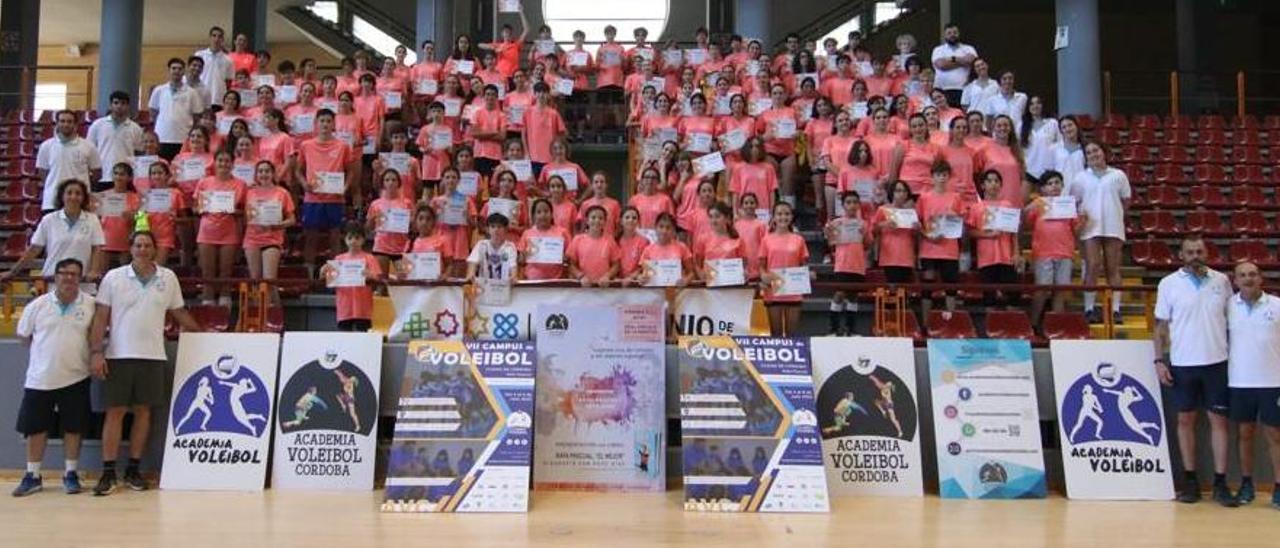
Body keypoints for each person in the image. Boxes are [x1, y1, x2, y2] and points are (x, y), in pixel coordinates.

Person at [89, 231, 201, 495]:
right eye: (138, 245)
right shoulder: (113, 278)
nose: (142, 249)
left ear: (154, 250)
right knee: (114, 413)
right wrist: (96, 352)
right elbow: (101, 316)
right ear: (130, 249)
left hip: (153, 356)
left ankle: (134, 470)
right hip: (118, 355)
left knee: (143, 413)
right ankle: (108, 472)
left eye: (147, 245)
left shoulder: (168, 277)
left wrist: (203, 334)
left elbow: (179, 312)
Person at [1152, 236, 1237, 506]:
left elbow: (1233, 321)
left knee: (1219, 423)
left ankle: (1221, 483)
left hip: (1217, 362)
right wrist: (1158, 361)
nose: (1195, 255)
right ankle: (1190, 481)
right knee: (1185, 422)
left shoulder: (1221, 281)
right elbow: (1160, 326)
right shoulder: (1168, 283)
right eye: (1190, 252)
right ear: (1181, 255)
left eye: (1199, 251)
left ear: (1207, 253)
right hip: (1182, 363)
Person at [10, 258, 96, 497]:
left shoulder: (90, 305)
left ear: (80, 278)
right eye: (64, 273)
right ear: (55, 276)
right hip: (40, 378)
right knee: (36, 428)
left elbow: (96, 337)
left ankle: (70, 473)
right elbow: (24, 337)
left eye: (74, 274)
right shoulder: (37, 306)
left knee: (74, 427)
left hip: (77, 376)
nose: (69, 278)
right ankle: (33, 475)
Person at [1225, 261, 1280, 509]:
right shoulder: (1227, 307)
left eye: (1253, 274)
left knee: (1275, 436)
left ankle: (1278, 487)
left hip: (1273, 382)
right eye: (1243, 275)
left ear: (1261, 278)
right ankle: (1247, 484)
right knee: (1244, 435)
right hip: (1239, 382)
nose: (1248, 279)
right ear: (1235, 280)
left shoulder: (1277, 306)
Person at [1072, 140, 1130, 324]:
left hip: (1113, 225)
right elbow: (1075, 202)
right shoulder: (1080, 178)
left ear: (1104, 152)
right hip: (1090, 227)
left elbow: (1125, 200)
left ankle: (1115, 310)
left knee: (1112, 268)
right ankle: (1089, 308)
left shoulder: (1118, 175)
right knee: (1093, 265)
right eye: (1088, 152)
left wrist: (1114, 213)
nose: (1093, 154)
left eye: (1096, 150)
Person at [2, 179, 104, 282]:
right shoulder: (48, 220)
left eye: (78, 193)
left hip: (81, 280)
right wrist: (13, 271)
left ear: (83, 198)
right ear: (62, 196)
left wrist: (94, 271)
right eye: (69, 193)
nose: (73, 197)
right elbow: (34, 249)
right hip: (52, 279)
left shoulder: (92, 219)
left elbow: (96, 248)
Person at [295, 109, 358, 274]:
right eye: (322, 120)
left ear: (333, 124)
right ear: (316, 124)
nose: (325, 124)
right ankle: (309, 274)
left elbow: (351, 171)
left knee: (335, 237)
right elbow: (298, 171)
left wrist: (344, 188)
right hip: (312, 199)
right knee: (311, 237)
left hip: (335, 199)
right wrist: (304, 185)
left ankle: (335, 272)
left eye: (328, 121)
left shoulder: (342, 146)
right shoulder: (306, 145)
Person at [1025, 170, 1083, 329]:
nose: (1054, 186)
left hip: (1065, 253)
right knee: (1042, 290)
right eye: (1050, 184)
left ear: (1062, 185)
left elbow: (1076, 229)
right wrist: (1032, 206)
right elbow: (1026, 222)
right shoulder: (1039, 204)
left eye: (1057, 182)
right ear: (1043, 189)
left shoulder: (1068, 205)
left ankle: (1056, 326)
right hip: (1043, 253)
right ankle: (1033, 324)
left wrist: (1084, 221)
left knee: (1060, 291)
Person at [759, 202, 810, 336]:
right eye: (779, 214)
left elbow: (803, 265)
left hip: (793, 291)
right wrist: (764, 276)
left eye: (787, 214)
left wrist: (807, 275)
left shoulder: (799, 240)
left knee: (791, 336)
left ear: (792, 217)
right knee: (775, 335)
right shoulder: (766, 240)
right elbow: (762, 266)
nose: (783, 217)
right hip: (773, 291)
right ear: (774, 217)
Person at [36, 110, 102, 213]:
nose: (66, 124)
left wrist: (83, 186)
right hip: (52, 201)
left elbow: (97, 172)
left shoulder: (88, 146)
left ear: (75, 124)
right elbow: (42, 172)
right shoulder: (46, 146)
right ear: (57, 123)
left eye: (69, 121)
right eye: (62, 121)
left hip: (80, 201)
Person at [321, 222, 382, 332]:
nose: (353, 241)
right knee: (345, 338)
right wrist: (323, 271)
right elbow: (328, 280)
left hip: (363, 307)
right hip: (344, 306)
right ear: (345, 239)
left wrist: (370, 275)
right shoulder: (338, 259)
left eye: (357, 238)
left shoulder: (369, 258)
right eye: (350, 238)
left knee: (363, 336)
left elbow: (378, 277)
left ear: (363, 240)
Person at [86, 91, 144, 192]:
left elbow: (138, 153)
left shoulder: (135, 128)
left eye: (123, 103)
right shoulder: (98, 125)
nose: (119, 106)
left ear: (128, 106)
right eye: (116, 103)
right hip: (102, 176)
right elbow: (89, 150)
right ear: (111, 105)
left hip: (125, 178)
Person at [148, 58, 203, 161]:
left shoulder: (192, 92)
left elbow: (197, 116)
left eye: (180, 69)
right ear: (169, 70)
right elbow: (153, 111)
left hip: (183, 138)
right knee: (162, 168)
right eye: (174, 68)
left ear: (184, 72)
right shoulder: (159, 90)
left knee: (180, 169)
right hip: (162, 137)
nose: (177, 71)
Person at [930, 24, 977, 107]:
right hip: (942, 90)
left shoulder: (969, 48)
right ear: (945, 35)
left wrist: (952, 59)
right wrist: (962, 61)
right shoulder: (938, 50)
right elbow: (941, 65)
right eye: (949, 33)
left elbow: (970, 61)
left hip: (963, 90)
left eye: (955, 32)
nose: (952, 35)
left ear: (959, 33)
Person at [194, 27, 234, 121]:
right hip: (199, 97)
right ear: (210, 37)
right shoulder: (199, 55)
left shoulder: (228, 60)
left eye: (220, 36)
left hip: (217, 99)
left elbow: (228, 82)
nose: (216, 39)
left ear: (222, 40)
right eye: (214, 35)